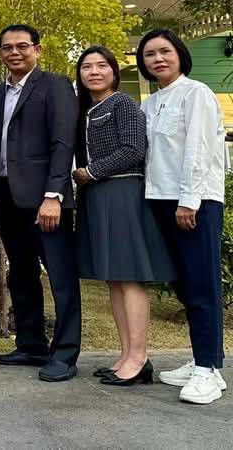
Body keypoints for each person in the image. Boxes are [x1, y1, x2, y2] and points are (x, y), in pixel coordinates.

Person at [72, 45, 175, 387]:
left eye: (101, 65)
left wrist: (91, 171)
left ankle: (139, 357)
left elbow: (133, 149)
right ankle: (126, 354)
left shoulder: (123, 104)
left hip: (122, 193)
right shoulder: (87, 109)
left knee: (130, 278)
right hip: (97, 197)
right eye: (87, 66)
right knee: (114, 279)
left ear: (114, 72)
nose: (94, 72)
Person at [138, 29, 227, 404]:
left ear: (180, 54)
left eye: (165, 51)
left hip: (195, 201)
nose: (157, 59)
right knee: (183, 283)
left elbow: (198, 149)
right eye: (149, 54)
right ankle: (205, 360)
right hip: (160, 199)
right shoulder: (150, 103)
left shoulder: (196, 93)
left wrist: (189, 200)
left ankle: (207, 371)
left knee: (201, 282)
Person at [0, 24, 81, 382]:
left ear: (37, 49)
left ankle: (65, 354)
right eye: (7, 47)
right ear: (0, 52)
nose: (14, 52)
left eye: (22, 46)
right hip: (7, 197)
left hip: (45, 200)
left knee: (60, 277)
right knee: (21, 273)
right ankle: (31, 344)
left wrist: (53, 195)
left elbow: (63, 142)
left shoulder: (55, 86)